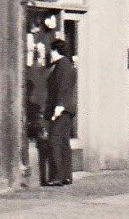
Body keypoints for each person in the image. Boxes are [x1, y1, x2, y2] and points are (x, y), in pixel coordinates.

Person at [42, 38, 77, 186]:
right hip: (65, 109)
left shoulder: (62, 66)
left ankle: (57, 176)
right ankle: (66, 175)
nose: (50, 54)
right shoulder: (65, 65)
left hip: (61, 109)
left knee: (55, 141)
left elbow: (63, 87)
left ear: (55, 50)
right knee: (63, 142)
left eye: (51, 50)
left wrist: (58, 108)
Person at [24, 35, 49, 184]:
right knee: (40, 142)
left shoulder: (40, 70)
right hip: (35, 110)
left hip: (38, 109)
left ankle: (42, 176)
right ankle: (41, 177)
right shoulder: (35, 70)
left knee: (42, 142)